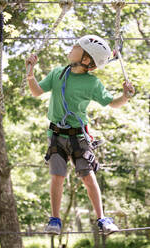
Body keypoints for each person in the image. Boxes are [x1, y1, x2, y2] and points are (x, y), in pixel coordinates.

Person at [25, 35, 135, 235]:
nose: (72, 47)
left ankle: (102, 219)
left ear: (86, 60)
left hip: (79, 137)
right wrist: (30, 73)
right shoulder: (58, 73)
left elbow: (112, 103)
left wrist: (125, 96)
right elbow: (36, 92)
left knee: (88, 176)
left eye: (77, 46)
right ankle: (55, 219)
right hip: (57, 135)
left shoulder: (92, 83)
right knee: (57, 176)